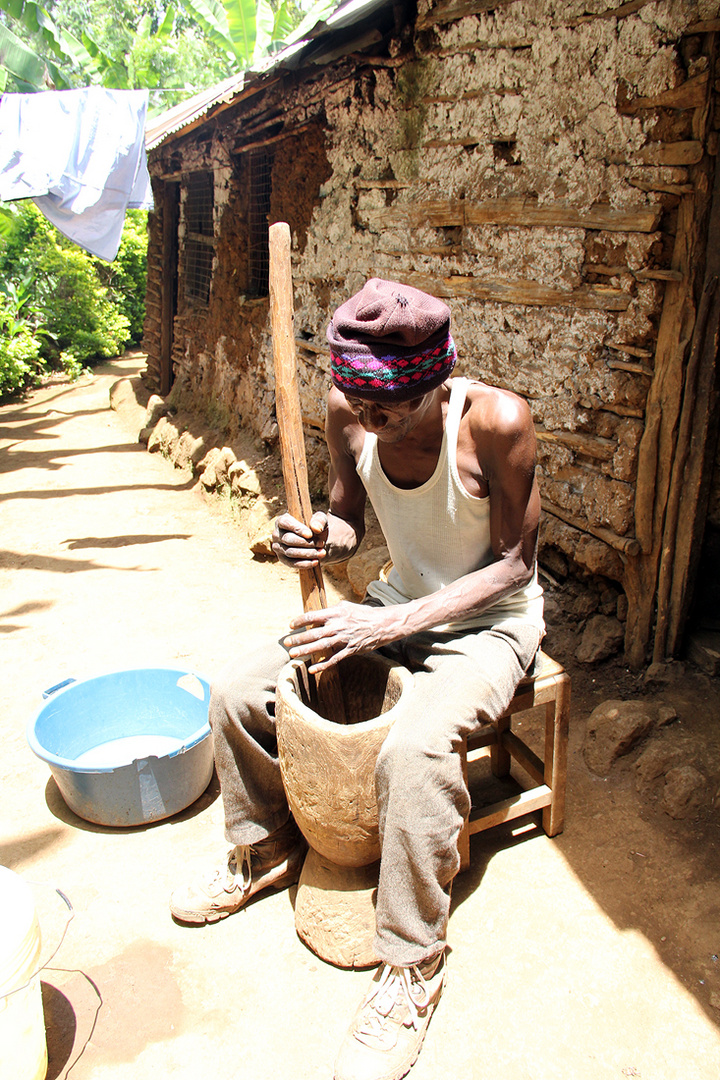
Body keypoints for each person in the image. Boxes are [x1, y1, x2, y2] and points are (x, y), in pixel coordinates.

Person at [170, 278, 545, 1080]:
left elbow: (517, 565)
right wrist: (316, 538)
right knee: (240, 690)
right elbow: (349, 518)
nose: (371, 425)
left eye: (392, 413)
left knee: (412, 753)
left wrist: (390, 625)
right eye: (361, 409)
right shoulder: (349, 409)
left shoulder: (497, 424)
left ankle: (412, 964)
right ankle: (262, 846)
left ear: (438, 382)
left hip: (487, 627)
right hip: (394, 602)